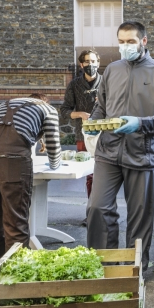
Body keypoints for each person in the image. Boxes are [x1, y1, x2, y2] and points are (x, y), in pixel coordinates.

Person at [87, 20, 154, 269]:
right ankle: (102, 265)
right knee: (97, 207)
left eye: (130, 41)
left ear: (143, 42)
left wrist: (139, 123)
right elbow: (101, 106)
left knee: (139, 216)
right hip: (108, 152)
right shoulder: (112, 70)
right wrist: (92, 126)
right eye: (121, 42)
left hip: (142, 153)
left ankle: (134, 268)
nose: (125, 46)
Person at [0, 94, 61, 267]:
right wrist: (55, 164)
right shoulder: (48, 110)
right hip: (11, 156)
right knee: (16, 218)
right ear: (45, 101)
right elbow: (54, 148)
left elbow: (1, 132)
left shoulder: (6, 104)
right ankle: (15, 272)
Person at [60, 49, 102, 225]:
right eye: (86, 62)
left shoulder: (106, 83)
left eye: (93, 61)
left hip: (103, 135)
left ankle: (104, 212)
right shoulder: (74, 85)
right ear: (81, 64)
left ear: (98, 63)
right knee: (90, 174)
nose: (90, 65)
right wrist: (79, 114)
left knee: (106, 174)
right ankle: (91, 213)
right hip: (82, 135)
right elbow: (64, 111)